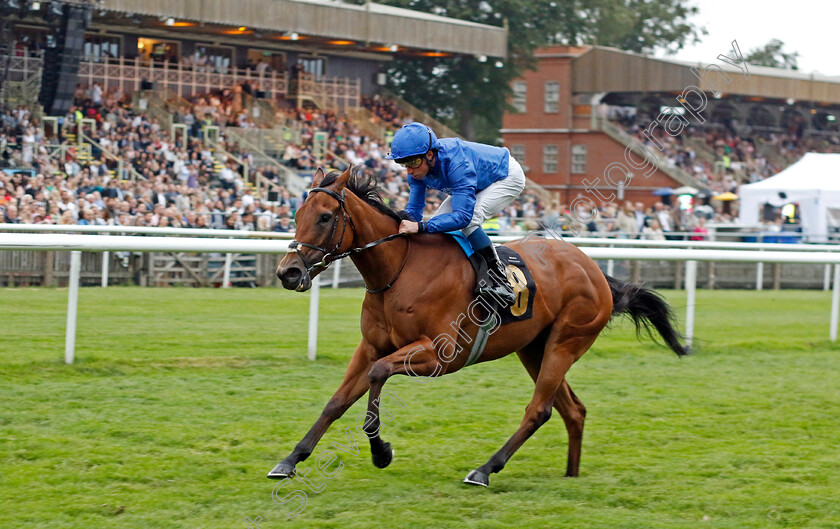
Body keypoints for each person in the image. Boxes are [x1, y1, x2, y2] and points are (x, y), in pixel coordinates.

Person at [386, 122, 525, 306]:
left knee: (469, 220)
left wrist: (420, 227)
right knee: (438, 222)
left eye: (413, 162)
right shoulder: (417, 171)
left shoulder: (457, 164)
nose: (409, 170)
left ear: (429, 155)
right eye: (403, 163)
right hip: (477, 180)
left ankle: (499, 280)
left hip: (506, 176)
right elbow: (414, 213)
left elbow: (462, 217)